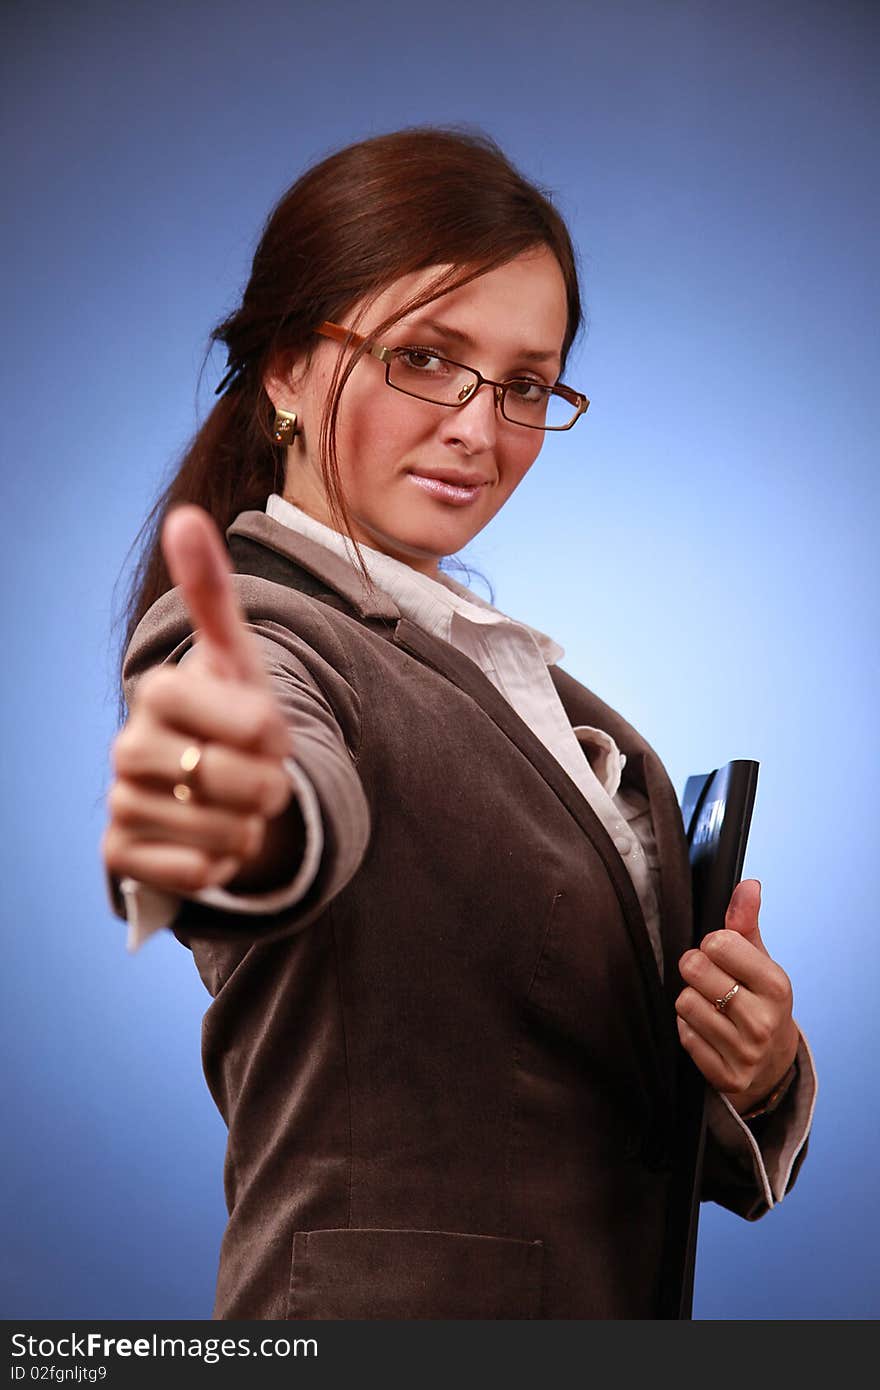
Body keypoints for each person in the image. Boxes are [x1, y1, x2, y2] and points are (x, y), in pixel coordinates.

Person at [103, 127, 815, 1320]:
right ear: (284, 368)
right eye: (424, 358)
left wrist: (759, 1067)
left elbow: (571, 1094)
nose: (480, 432)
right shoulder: (250, 634)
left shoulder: (511, 680)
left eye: (526, 383)